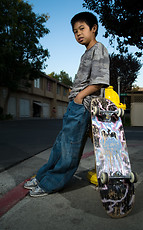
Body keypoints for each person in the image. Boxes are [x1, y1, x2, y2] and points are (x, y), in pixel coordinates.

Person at [24, 12, 110, 197]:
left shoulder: (99, 49)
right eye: (74, 31)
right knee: (60, 145)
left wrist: (79, 97)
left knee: (70, 148)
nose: (78, 33)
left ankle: (51, 184)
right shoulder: (86, 53)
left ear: (93, 28)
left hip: (83, 105)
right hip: (75, 105)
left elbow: (100, 81)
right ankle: (42, 177)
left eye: (82, 29)